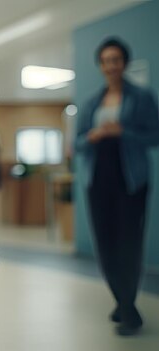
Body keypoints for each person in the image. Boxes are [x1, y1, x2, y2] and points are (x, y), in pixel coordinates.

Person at [75, 37, 159, 336]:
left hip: (132, 181)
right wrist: (94, 136)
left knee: (128, 243)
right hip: (98, 180)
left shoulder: (141, 97)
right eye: (106, 60)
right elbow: (77, 142)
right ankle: (121, 299)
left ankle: (128, 307)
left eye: (117, 60)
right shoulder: (91, 102)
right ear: (101, 65)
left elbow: (154, 136)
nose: (111, 65)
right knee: (106, 243)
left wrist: (124, 131)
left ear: (124, 63)